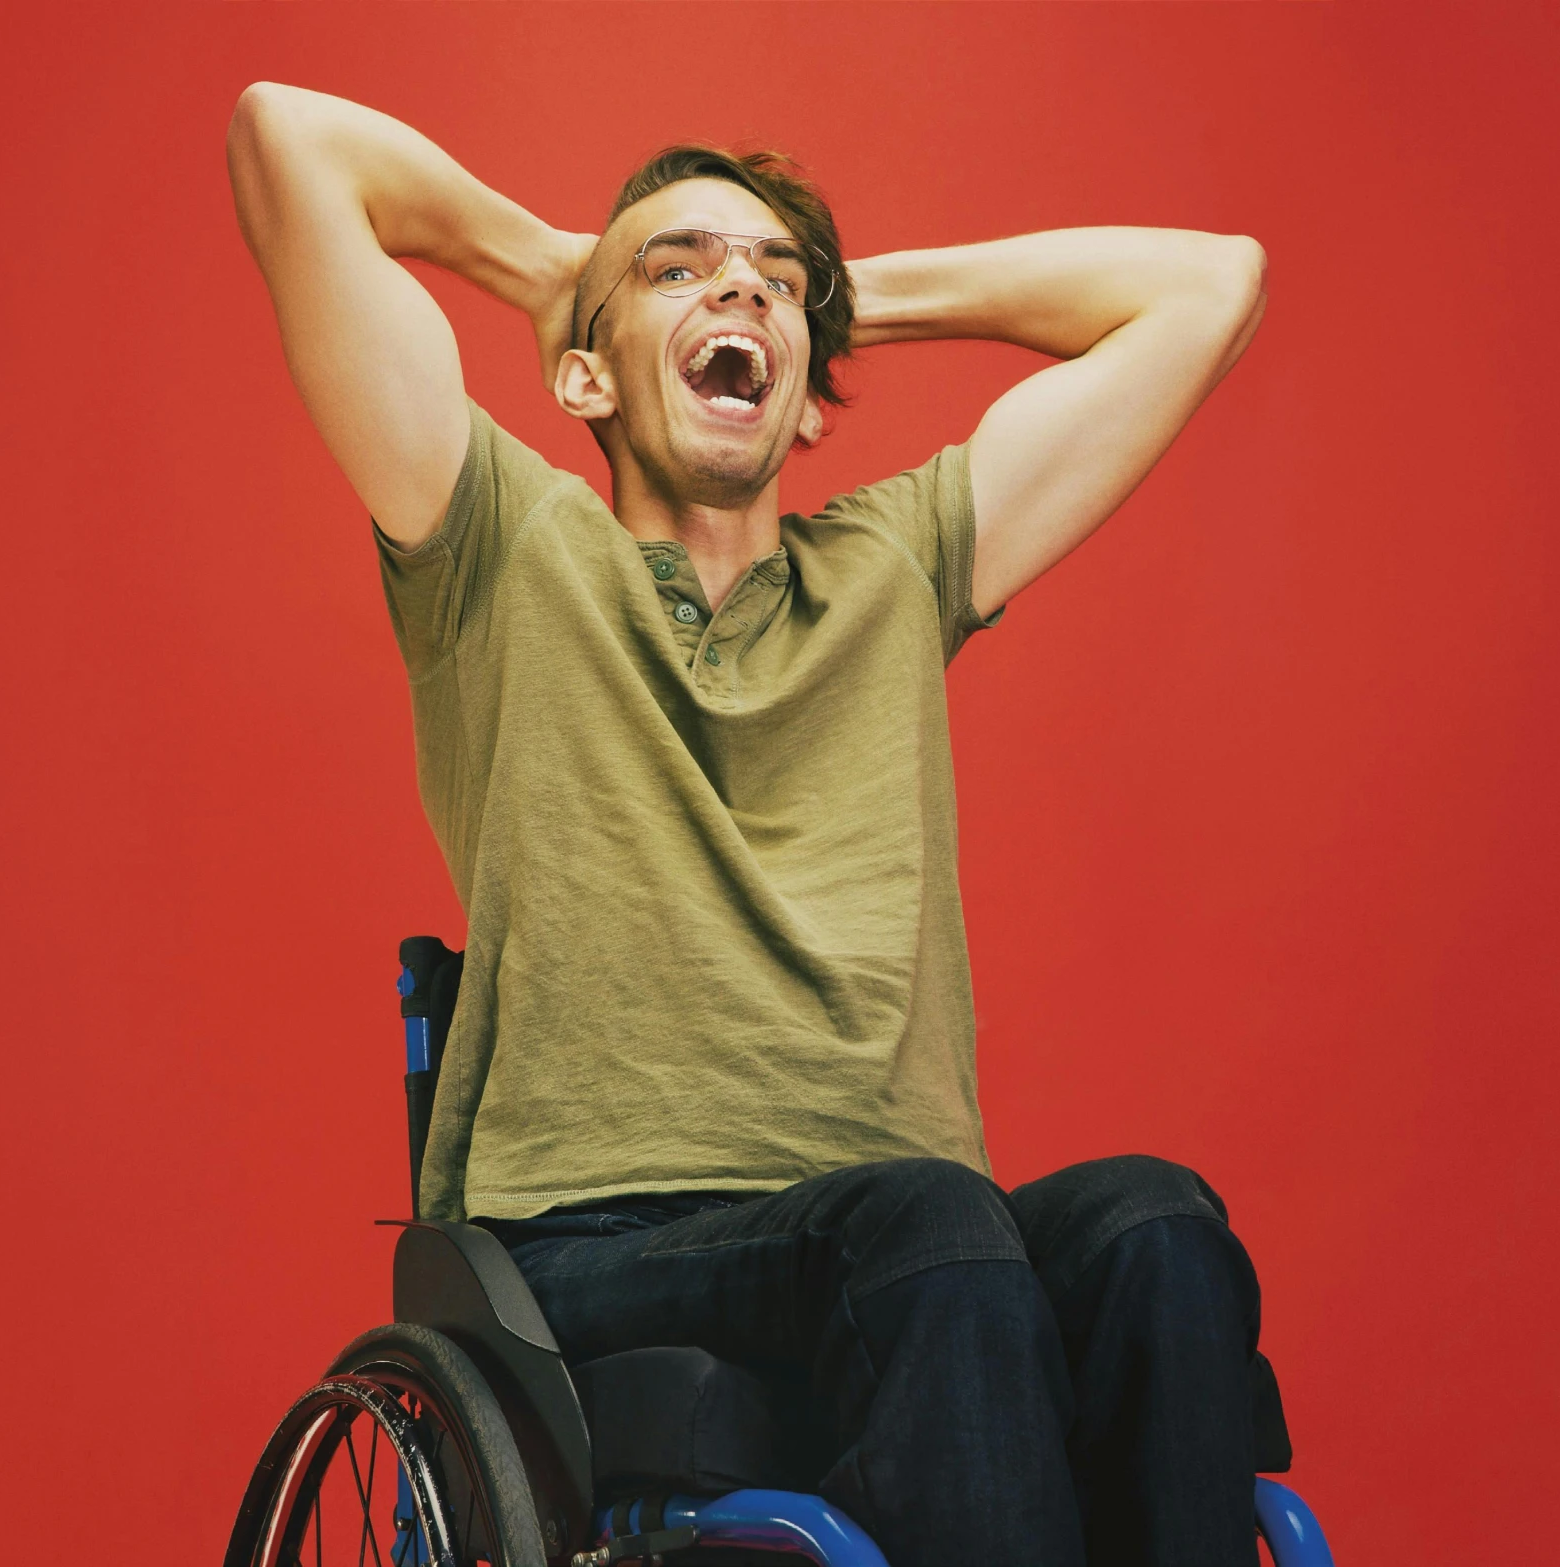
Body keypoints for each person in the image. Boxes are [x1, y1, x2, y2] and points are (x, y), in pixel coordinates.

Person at [227, 82, 1270, 1567]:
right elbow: (287, 140)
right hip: (591, 1244)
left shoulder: (897, 568)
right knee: (929, 1231)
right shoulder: (503, 546)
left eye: (774, 281)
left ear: (809, 376)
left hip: (894, 1234)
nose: (739, 289)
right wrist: (552, 268)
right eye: (683, 269)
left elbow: (1208, 283)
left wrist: (830, 295)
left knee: (1159, 1227)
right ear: (581, 377)